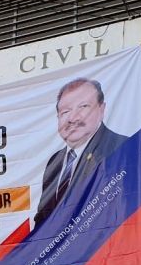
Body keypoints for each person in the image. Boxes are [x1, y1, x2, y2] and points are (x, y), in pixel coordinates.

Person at [34, 78, 128, 226]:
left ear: (101, 109)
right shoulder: (55, 162)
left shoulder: (122, 148)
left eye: (83, 107)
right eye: (65, 112)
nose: (73, 118)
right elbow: (43, 219)